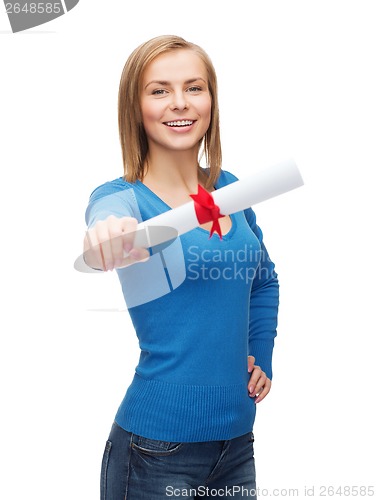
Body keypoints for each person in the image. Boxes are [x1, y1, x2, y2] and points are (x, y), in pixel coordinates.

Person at [83, 35, 279, 500]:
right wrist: (106, 234)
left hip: (235, 442)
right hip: (154, 451)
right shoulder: (124, 198)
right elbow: (103, 222)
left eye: (194, 87)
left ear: (211, 99)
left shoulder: (231, 189)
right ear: (136, 106)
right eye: (159, 90)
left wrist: (261, 352)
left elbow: (264, 281)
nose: (180, 103)